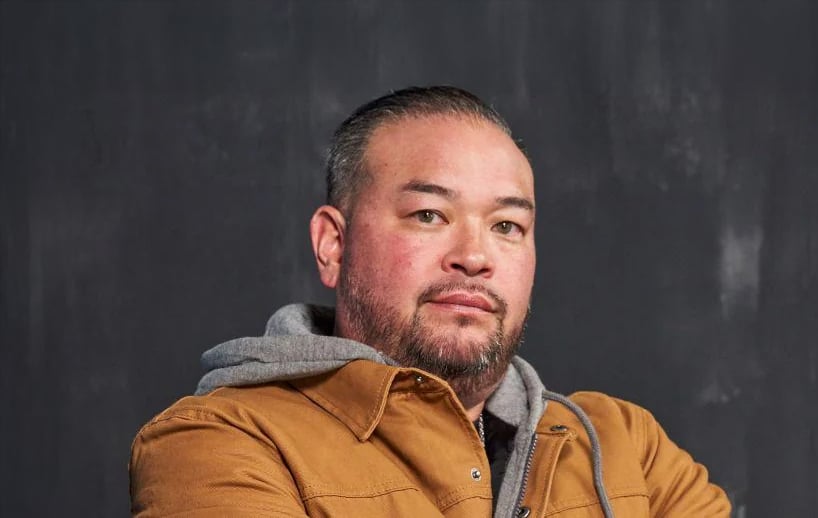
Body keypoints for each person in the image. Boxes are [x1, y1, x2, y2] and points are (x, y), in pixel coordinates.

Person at [129, 86, 731, 517]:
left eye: (507, 226)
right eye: (428, 215)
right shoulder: (219, 443)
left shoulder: (626, 446)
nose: (475, 255)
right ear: (334, 245)